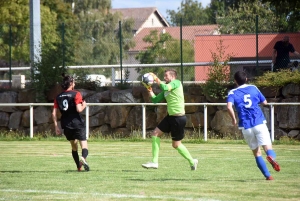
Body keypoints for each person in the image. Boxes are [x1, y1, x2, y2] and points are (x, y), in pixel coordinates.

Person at [227, 71, 280, 180]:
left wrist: (233, 119)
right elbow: (264, 102)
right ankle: (271, 157)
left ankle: (268, 176)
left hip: (246, 126)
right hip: (259, 122)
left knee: (257, 153)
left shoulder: (232, 92)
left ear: (235, 81)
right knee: (267, 147)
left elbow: (229, 107)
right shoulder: (253, 88)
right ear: (246, 79)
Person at [141, 69, 198, 170]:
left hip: (178, 118)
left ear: (172, 77)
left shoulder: (176, 83)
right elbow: (155, 100)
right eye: (164, 76)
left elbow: (164, 86)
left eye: (166, 76)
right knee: (155, 134)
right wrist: (150, 90)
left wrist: (155, 78)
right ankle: (154, 162)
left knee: (176, 145)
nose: (164, 78)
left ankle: (192, 161)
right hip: (170, 117)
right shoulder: (166, 90)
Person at [52, 74, 90, 172]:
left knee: (74, 146)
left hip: (66, 124)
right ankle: (83, 158)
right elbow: (79, 109)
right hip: (77, 123)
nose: (75, 83)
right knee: (84, 145)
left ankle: (79, 167)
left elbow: (54, 113)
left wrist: (56, 126)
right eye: (74, 82)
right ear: (71, 84)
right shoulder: (76, 94)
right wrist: (84, 105)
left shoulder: (58, 96)